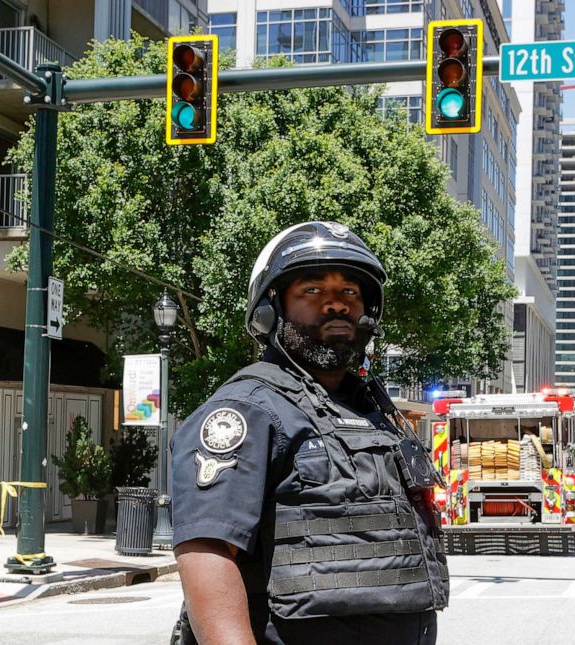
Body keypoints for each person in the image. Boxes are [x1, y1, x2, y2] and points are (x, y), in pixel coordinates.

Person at [169, 221, 449, 645]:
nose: (336, 305)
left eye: (350, 292)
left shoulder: (374, 413)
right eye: (313, 291)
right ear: (269, 309)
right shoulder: (247, 409)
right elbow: (206, 551)